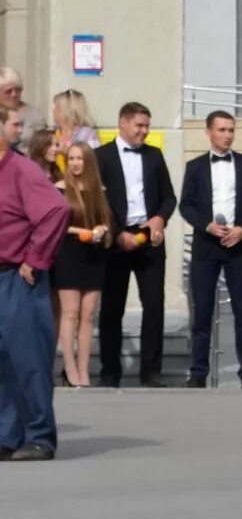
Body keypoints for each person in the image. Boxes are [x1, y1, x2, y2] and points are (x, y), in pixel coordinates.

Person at [0, 97, 73, 459]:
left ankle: (40, 436)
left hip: (17, 277)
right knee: (1, 361)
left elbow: (57, 211)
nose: (16, 130)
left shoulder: (22, 170)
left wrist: (35, 258)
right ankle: (6, 436)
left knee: (27, 358)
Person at [180, 109, 242, 389]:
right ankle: (198, 373)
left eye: (231, 130)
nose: (227, 135)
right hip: (206, 246)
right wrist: (206, 226)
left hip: (237, 247)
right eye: (222, 130)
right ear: (209, 132)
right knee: (202, 311)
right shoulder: (194, 167)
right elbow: (186, 204)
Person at [94, 100, 173, 386]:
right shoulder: (100, 156)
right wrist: (116, 234)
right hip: (115, 241)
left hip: (149, 239)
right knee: (112, 307)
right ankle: (109, 371)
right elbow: (96, 202)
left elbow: (169, 197)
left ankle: (151, 370)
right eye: (139, 125)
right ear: (123, 123)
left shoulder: (154, 155)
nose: (144, 131)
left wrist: (159, 219)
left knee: (154, 305)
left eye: (147, 126)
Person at [44, 96, 112, 391]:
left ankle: (84, 370)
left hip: (93, 256)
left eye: (79, 159)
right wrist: (78, 232)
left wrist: (101, 229)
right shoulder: (58, 189)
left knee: (88, 316)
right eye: (70, 158)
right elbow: (54, 225)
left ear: (88, 162)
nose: (74, 163)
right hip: (68, 255)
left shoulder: (99, 189)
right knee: (69, 313)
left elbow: (107, 219)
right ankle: (69, 368)